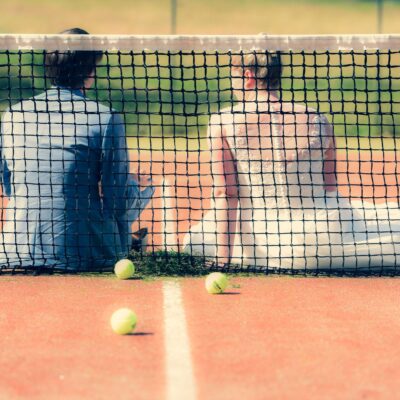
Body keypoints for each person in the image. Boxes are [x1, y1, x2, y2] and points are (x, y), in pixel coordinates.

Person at [183, 51, 400, 271]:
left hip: (263, 244)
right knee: (381, 217)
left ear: (247, 76)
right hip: (327, 238)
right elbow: (330, 188)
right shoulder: (318, 119)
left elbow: (226, 194)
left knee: (194, 242)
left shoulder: (222, 121)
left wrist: (222, 260)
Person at [0, 28, 153, 271]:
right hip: (84, 255)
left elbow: (10, 188)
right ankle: (129, 244)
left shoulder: (11, 116)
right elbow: (117, 202)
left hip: (15, 251)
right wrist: (138, 186)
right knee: (137, 191)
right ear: (90, 73)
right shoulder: (105, 118)